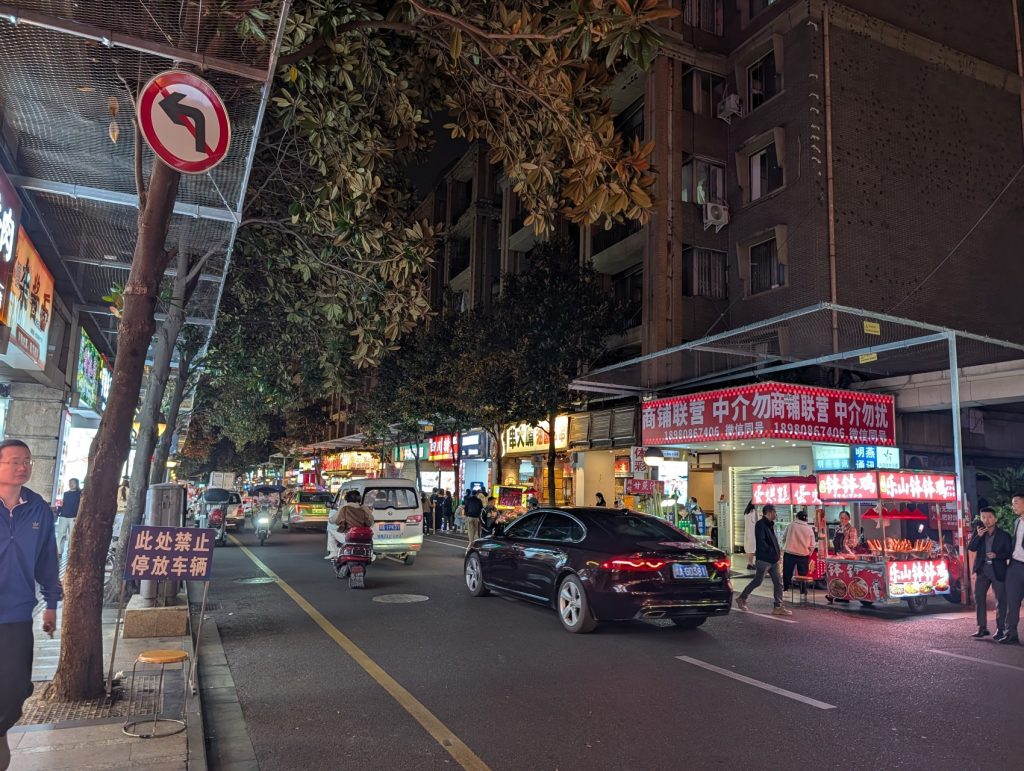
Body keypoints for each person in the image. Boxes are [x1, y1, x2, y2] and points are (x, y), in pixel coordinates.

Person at [0, 440, 61, 768]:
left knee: (15, 689)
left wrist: (51, 604)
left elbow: (47, 560)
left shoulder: (37, 508)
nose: (22, 467)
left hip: (17, 614)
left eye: (27, 461)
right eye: (14, 461)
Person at [735, 505, 791, 615]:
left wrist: (777, 554)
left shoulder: (770, 525)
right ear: (770, 512)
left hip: (773, 560)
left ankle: (778, 606)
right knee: (757, 581)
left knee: (778, 583)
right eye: (775, 512)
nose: (776, 514)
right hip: (764, 560)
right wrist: (771, 551)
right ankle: (742, 598)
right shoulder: (760, 524)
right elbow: (761, 542)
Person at [967, 506, 1012, 640]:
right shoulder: (979, 532)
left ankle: (1000, 629)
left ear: (995, 518)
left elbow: (1009, 553)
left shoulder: (1004, 535)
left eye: (989, 517)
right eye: (983, 517)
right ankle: (982, 628)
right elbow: (971, 548)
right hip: (983, 571)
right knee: (979, 598)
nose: (986, 520)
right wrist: (978, 536)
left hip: (998, 571)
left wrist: (997, 555)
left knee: (1001, 601)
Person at [999, 493, 1024, 645]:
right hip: (1015, 566)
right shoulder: (1017, 522)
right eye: (1012, 503)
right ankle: (1011, 633)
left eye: (1015, 503)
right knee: (1012, 602)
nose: (1013, 506)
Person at [326, 490, 374, 560]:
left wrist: (332, 520)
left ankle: (333, 552)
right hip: (363, 537)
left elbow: (336, 521)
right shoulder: (364, 508)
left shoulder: (344, 508)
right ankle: (372, 554)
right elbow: (371, 521)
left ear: (346, 499)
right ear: (359, 498)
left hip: (348, 537)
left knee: (330, 530)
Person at [782, 510, 816, 592]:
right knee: (803, 574)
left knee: (787, 572)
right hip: (803, 555)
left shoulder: (791, 525)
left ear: (797, 517)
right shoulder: (809, 528)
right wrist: (809, 553)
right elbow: (813, 544)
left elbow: (784, 537)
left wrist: (785, 546)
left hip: (789, 553)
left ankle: (786, 588)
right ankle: (803, 590)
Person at [55, 478, 82, 560]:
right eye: (70, 483)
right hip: (63, 516)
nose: (71, 484)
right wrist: (57, 513)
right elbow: (61, 504)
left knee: (72, 536)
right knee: (61, 535)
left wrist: (78, 516)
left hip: (73, 517)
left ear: (77, 484)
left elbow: (81, 506)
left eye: (73, 483)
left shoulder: (80, 494)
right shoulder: (65, 494)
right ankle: (59, 552)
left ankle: (70, 553)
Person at [743, 501, 758, 571]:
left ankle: (749, 563)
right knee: (751, 549)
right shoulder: (753, 512)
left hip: (747, 533)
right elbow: (755, 521)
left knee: (749, 549)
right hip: (752, 533)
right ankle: (750, 564)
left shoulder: (746, 512)